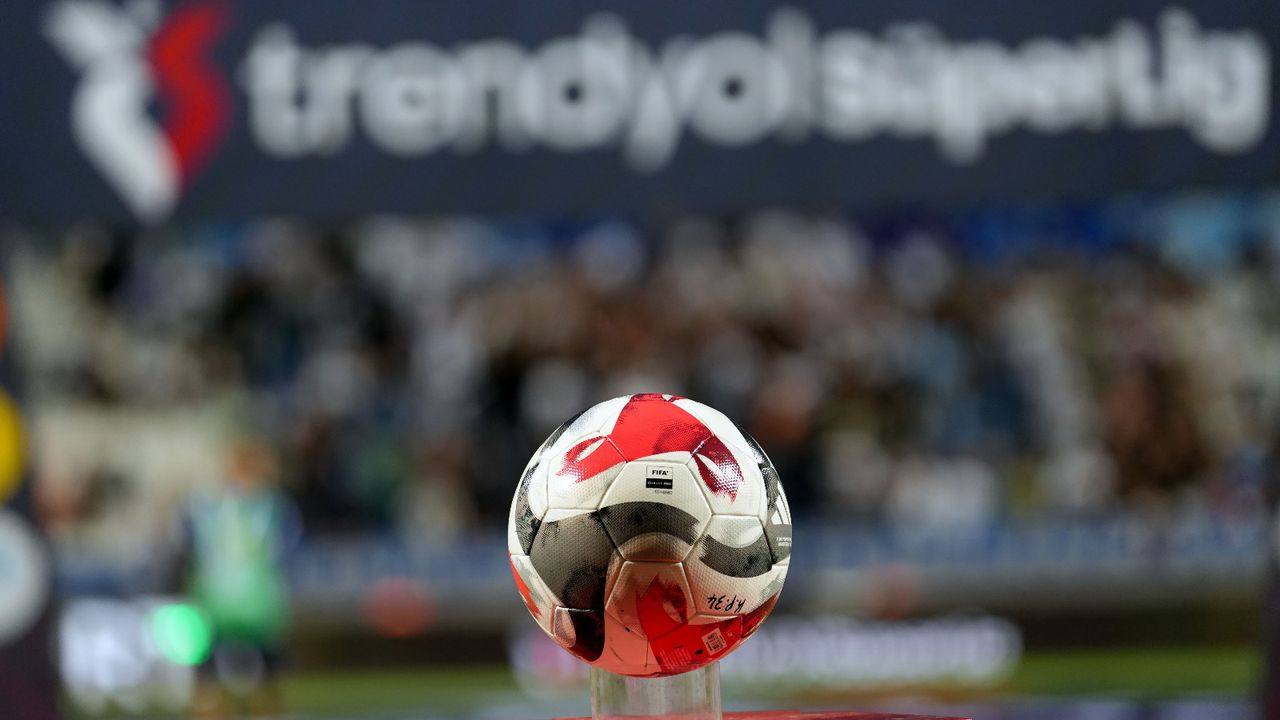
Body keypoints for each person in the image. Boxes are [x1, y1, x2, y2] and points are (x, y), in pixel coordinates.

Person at [172, 436, 300, 720]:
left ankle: (249, 709)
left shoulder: (211, 505)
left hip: (247, 603)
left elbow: (184, 545)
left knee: (253, 681)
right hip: (233, 602)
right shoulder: (213, 505)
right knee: (216, 682)